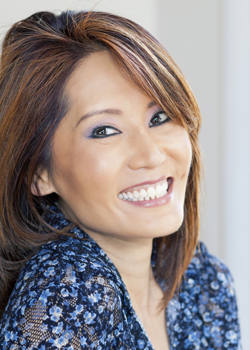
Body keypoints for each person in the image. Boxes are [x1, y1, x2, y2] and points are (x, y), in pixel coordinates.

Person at [0, 10, 241, 350]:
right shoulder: (62, 304)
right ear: (39, 172)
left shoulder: (204, 282)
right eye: (105, 131)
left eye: (160, 117)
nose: (152, 155)